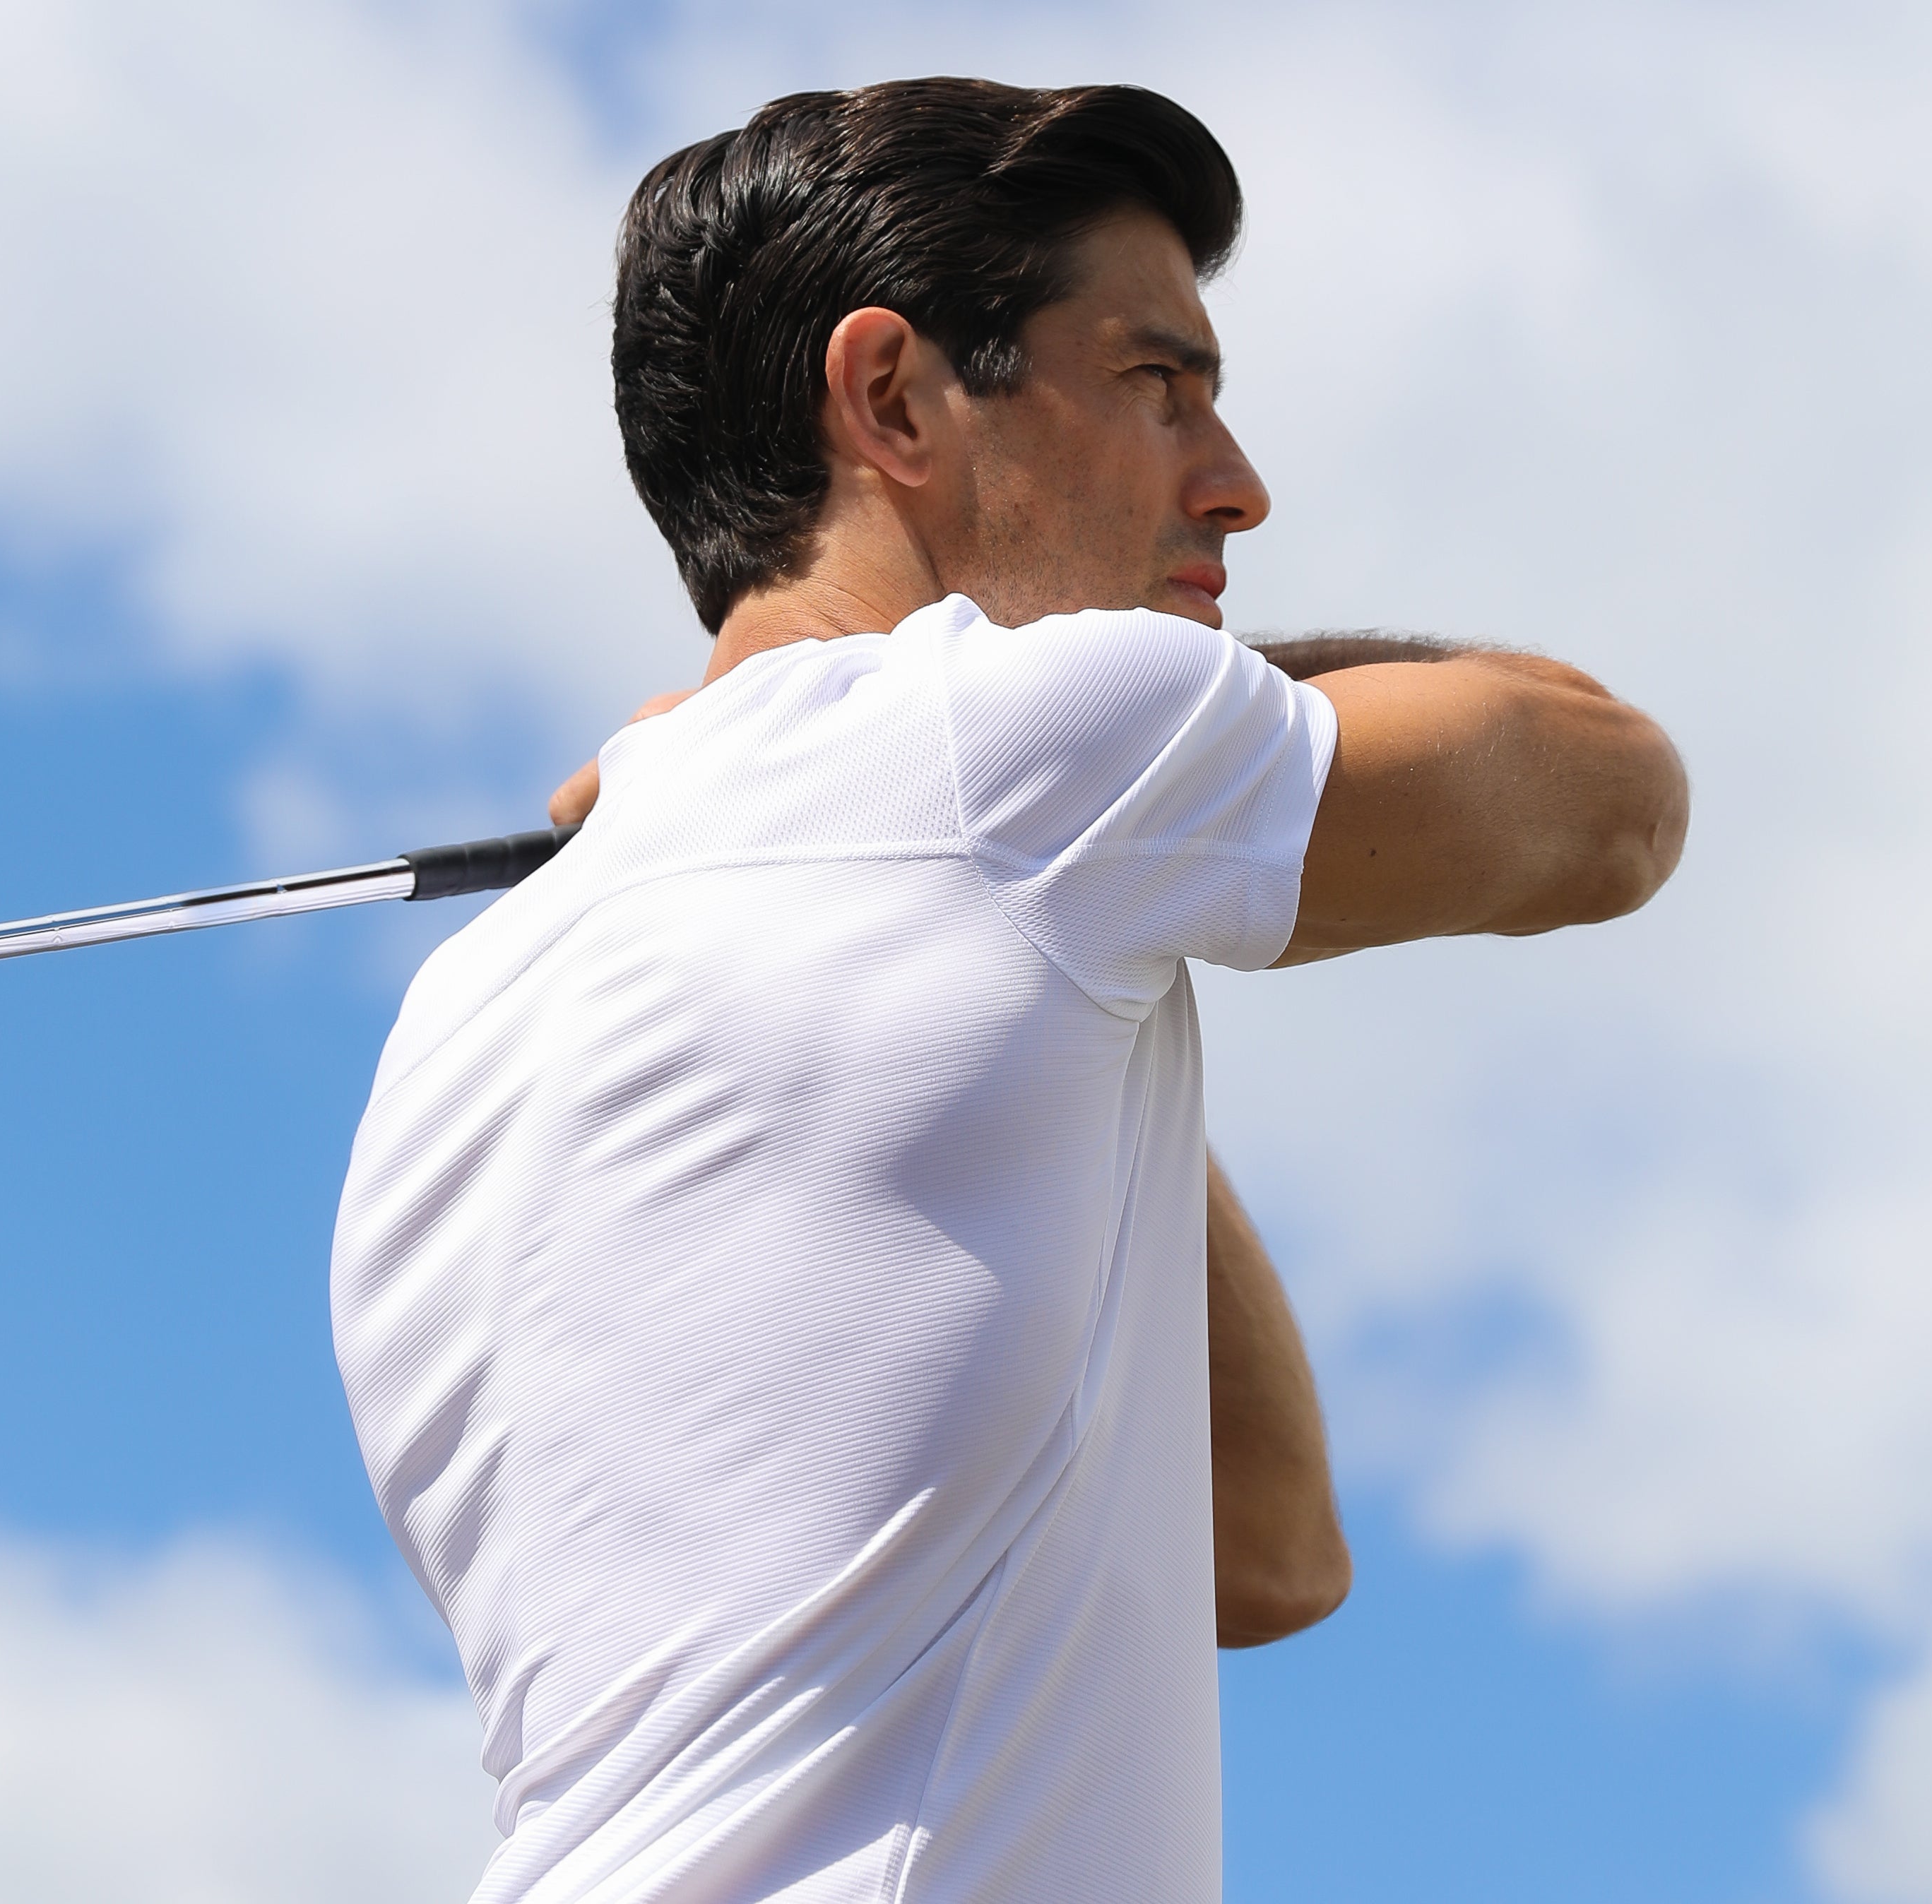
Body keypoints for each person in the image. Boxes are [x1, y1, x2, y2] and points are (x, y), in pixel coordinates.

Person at [329, 78, 1687, 1903]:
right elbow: (1610, 795)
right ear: (890, 397)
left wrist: (1092, 987)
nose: (1235, 477)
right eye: (1155, 381)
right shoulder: (1009, 752)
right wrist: (1094, 733)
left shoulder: (462, 1013)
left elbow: (1263, 1551)